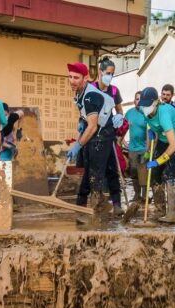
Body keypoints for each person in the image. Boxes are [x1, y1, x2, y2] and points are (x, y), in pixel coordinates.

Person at [66, 62, 118, 217]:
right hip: (99, 134)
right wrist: (82, 122)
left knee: (96, 174)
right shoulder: (79, 93)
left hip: (101, 136)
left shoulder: (90, 96)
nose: (72, 81)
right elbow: (87, 118)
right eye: (70, 77)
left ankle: (98, 210)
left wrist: (77, 145)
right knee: (92, 171)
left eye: (76, 77)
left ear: (85, 78)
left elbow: (93, 127)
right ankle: (91, 205)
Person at [137, 87, 175, 224]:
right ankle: (160, 209)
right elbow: (152, 127)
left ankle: (172, 213)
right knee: (154, 173)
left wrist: (158, 161)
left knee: (168, 174)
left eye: (148, 105)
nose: (145, 108)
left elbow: (173, 145)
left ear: (156, 102)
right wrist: (151, 138)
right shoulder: (144, 111)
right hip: (162, 139)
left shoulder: (164, 113)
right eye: (143, 105)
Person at [124, 91, 148, 202]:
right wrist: (123, 142)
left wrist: (148, 148)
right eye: (137, 99)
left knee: (143, 172)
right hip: (132, 149)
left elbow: (150, 132)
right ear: (134, 101)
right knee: (133, 171)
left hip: (144, 149)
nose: (138, 101)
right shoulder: (129, 113)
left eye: (140, 99)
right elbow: (122, 128)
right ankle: (137, 194)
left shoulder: (147, 114)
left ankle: (144, 196)